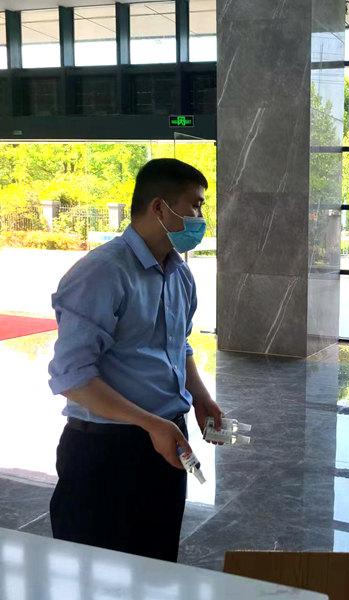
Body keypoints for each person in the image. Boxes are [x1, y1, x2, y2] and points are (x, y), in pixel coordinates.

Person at [48, 158, 224, 562]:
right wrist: (149, 423)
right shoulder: (102, 272)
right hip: (105, 451)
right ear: (159, 207)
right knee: (98, 571)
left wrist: (200, 397)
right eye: (195, 205)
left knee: (157, 565)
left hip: (166, 441)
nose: (200, 218)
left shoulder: (179, 275)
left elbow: (179, 346)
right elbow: (73, 377)